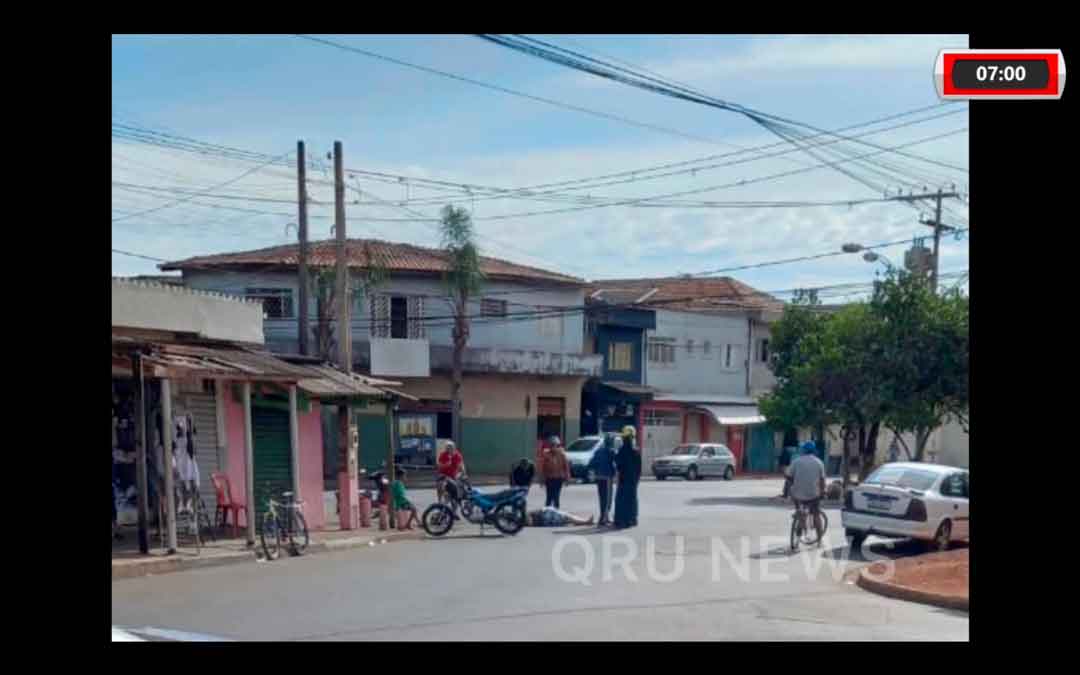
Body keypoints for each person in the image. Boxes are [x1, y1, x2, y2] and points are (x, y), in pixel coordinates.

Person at [789, 441, 827, 541]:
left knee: (800, 510)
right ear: (814, 451)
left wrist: (793, 485)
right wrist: (823, 491)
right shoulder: (819, 462)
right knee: (816, 514)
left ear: (803, 450)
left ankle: (799, 527)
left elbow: (789, 476)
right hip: (813, 494)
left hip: (798, 494)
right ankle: (819, 540)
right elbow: (822, 480)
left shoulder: (796, 461)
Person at [612, 426, 642, 529]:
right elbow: (639, 469)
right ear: (633, 437)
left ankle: (620, 520)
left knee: (621, 500)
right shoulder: (636, 451)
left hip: (623, 480)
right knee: (632, 500)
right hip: (632, 481)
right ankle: (631, 519)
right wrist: (636, 480)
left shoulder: (621, 451)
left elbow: (617, 464)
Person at [587, 434, 617, 526]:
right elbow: (617, 462)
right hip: (607, 477)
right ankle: (603, 519)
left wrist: (595, 472)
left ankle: (604, 517)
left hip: (599, 477)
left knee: (602, 498)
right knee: (607, 499)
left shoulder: (598, 451)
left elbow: (591, 463)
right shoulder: (611, 451)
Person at [539, 436, 571, 509]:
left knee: (556, 497)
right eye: (551, 445)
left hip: (558, 478)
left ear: (557, 445)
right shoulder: (546, 454)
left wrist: (567, 478)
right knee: (549, 497)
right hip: (549, 479)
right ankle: (547, 513)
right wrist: (541, 480)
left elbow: (566, 467)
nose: (553, 447)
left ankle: (556, 512)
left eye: (554, 445)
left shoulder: (562, 454)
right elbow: (542, 468)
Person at [527, 506, 594, 527]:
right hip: (546, 517)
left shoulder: (528, 515)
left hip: (546, 516)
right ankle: (585, 521)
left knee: (568, 517)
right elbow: (530, 522)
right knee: (567, 517)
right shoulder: (528, 517)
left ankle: (585, 521)